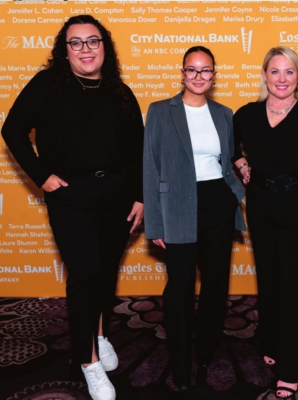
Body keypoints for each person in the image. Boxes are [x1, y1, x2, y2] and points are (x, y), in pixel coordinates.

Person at [1, 15, 144, 400]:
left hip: (118, 196)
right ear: (64, 51)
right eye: (76, 42)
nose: (85, 49)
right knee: (84, 275)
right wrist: (41, 176)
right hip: (71, 198)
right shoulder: (47, 85)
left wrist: (140, 196)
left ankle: (98, 334)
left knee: (105, 273)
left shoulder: (119, 91)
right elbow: (12, 129)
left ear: (104, 46)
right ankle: (88, 362)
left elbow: (138, 149)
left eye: (93, 41)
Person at [233, 46, 298, 399]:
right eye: (275, 71)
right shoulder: (246, 114)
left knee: (296, 287)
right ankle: (273, 342)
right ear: (264, 75)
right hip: (261, 207)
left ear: (297, 77)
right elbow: (228, 148)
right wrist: (241, 164)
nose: (281, 79)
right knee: (270, 280)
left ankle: (291, 368)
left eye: (289, 72)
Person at [143, 46, 245, 390]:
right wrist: (155, 223)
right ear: (182, 73)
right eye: (192, 70)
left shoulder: (224, 114)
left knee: (216, 285)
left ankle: (206, 347)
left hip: (217, 203)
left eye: (206, 70)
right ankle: (180, 360)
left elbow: (229, 159)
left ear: (214, 75)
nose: (199, 76)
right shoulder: (160, 111)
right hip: (176, 208)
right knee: (179, 289)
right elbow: (150, 168)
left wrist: (234, 193)